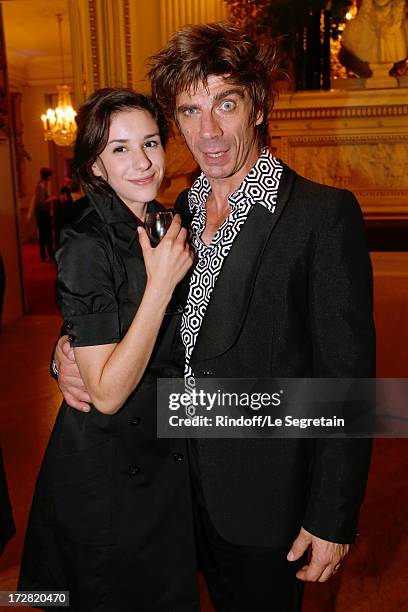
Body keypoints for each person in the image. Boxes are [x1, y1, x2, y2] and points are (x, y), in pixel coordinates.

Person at [54, 24, 375, 612]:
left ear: (258, 106)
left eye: (225, 103)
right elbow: (123, 302)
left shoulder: (321, 217)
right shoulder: (174, 213)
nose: (209, 131)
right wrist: (65, 350)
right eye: (189, 110)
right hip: (170, 491)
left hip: (266, 503)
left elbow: (348, 385)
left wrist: (333, 517)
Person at [18, 88, 198, 611]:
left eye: (149, 143)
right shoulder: (84, 237)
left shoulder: (161, 220)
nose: (141, 161)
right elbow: (108, 394)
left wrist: (65, 349)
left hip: (161, 458)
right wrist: (161, 285)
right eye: (118, 149)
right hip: (111, 475)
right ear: (94, 165)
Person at [28, 167, 55, 262]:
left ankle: (46, 255)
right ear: (47, 176)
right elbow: (40, 203)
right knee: (46, 236)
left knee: (45, 235)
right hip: (43, 214)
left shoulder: (42, 185)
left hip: (43, 213)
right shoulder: (41, 186)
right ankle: (46, 256)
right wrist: (51, 199)